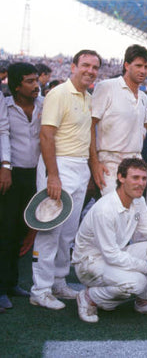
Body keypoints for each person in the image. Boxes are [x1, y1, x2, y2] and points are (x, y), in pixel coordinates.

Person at [30, 50, 102, 310]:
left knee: (68, 232)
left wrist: (91, 168)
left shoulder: (89, 97)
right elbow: (46, 136)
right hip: (58, 164)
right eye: (85, 65)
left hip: (79, 167)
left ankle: (59, 282)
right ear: (73, 66)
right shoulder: (58, 94)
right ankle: (40, 289)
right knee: (50, 230)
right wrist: (53, 175)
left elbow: (88, 136)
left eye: (94, 67)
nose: (90, 71)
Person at [72, 158, 147, 322]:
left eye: (143, 178)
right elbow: (111, 255)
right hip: (89, 264)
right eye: (135, 178)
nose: (141, 183)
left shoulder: (138, 200)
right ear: (121, 177)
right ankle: (89, 297)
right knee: (137, 282)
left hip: (112, 255)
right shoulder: (105, 210)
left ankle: (144, 301)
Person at [0, 63, 43, 310]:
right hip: (11, 175)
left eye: (36, 79)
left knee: (20, 230)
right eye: (29, 81)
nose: (35, 85)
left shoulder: (44, 104)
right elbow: (2, 134)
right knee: (4, 230)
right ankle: (1, 288)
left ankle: (13, 283)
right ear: (16, 86)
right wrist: (5, 167)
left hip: (34, 176)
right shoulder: (5, 106)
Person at [89, 44, 147, 195]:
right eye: (138, 66)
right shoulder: (107, 87)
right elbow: (89, 126)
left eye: (146, 66)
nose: (143, 71)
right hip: (110, 162)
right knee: (113, 211)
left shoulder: (143, 97)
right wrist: (94, 163)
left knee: (133, 214)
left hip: (135, 164)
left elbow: (144, 125)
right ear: (127, 65)